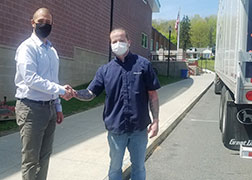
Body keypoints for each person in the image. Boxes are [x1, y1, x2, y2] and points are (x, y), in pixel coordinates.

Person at [74, 28, 160, 180]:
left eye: (121, 40)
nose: (118, 43)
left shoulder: (143, 65)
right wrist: (74, 93)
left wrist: (156, 121)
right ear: (110, 44)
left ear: (129, 42)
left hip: (139, 129)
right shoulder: (105, 70)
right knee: (115, 168)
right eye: (114, 41)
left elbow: (153, 95)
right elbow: (90, 93)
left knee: (139, 167)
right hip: (116, 130)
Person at [14, 8, 74, 180]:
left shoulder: (51, 51)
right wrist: (62, 91)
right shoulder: (27, 48)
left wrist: (58, 106)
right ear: (32, 23)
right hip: (31, 109)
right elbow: (31, 79)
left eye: (48, 22)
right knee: (31, 160)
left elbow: (52, 80)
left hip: (49, 109)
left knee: (45, 156)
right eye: (41, 21)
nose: (44, 25)